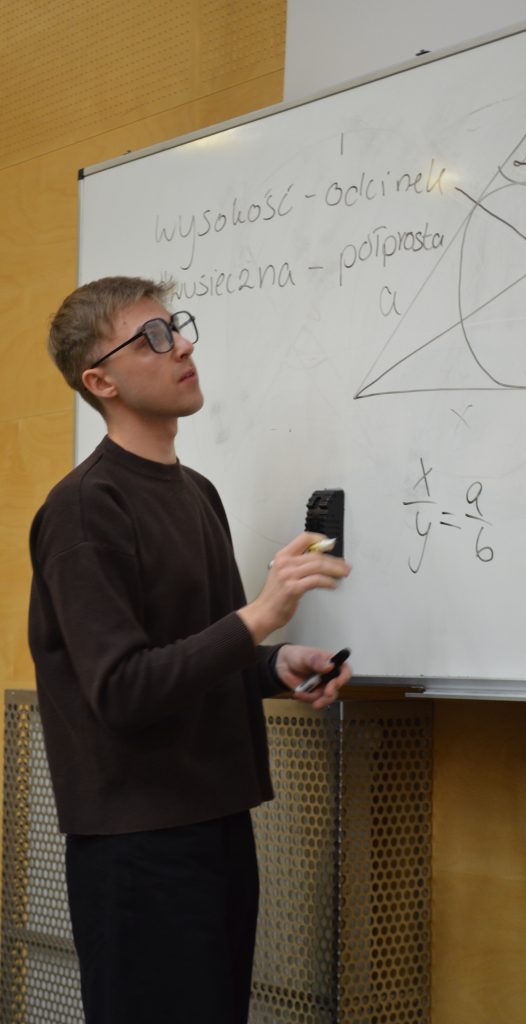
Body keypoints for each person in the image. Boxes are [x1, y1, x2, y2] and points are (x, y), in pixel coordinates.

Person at [28, 275, 352, 1024]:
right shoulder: (84, 509)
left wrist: (271, 666)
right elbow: (123, 690)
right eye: (152, 338)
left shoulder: (197, 491)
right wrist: (260, 615)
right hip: (136, 846)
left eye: (175, 326)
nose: (181, 346)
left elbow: (194, 655)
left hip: (218, 823)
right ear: (101, 381)